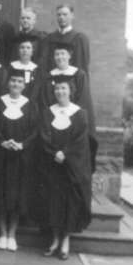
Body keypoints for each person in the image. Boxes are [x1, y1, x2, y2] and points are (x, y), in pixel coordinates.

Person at [40, 76, 92, 260]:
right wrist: (54, 152)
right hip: (52, 164)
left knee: (69, 202)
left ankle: (65, 241)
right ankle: (54, 239)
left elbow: (80, 141)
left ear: (71, 91)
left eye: (64, 88)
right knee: (53, 201)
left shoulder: (80, 113)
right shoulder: (48, 112)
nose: (60, 92)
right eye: (57, 89)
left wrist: (66, 154)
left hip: (71, 167)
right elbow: (44, 135)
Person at [0, 68, 39, 252]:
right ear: (8, 83)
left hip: (21, 159)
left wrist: (23, 144)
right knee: (1, 196)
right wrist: (2, 142)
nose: (16, 85)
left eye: (19, 82)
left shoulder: (31, 105)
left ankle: (12, 234)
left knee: (17, 197)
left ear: (24, 85)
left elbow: (35, 131)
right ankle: (2, 233)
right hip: (2, 157)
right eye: (13, 81)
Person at [41, 42, 97, 170]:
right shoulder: (48, 76)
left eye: (63, 54)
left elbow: (83, 100)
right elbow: (44, 100)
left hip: (72, 127)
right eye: (57, 54)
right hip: (52, 127)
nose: (60, 57)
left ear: (69, 56)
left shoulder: (79, 75)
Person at [41, 4, 90, 76]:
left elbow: (81, 65)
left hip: (71, 82)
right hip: (53, 80)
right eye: (59, 15)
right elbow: (45, 64)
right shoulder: (50, 38)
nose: (61, 17)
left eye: (65, 14)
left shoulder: (79, 38)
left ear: (72, 16)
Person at [9, 34, 46, 103]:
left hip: (31, 104)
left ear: (32, 52)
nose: (25, 50)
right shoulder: (11, 67)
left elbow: (38, 90)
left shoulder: (37, 69)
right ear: (18, 50)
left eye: (28, 48)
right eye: (22, 47)